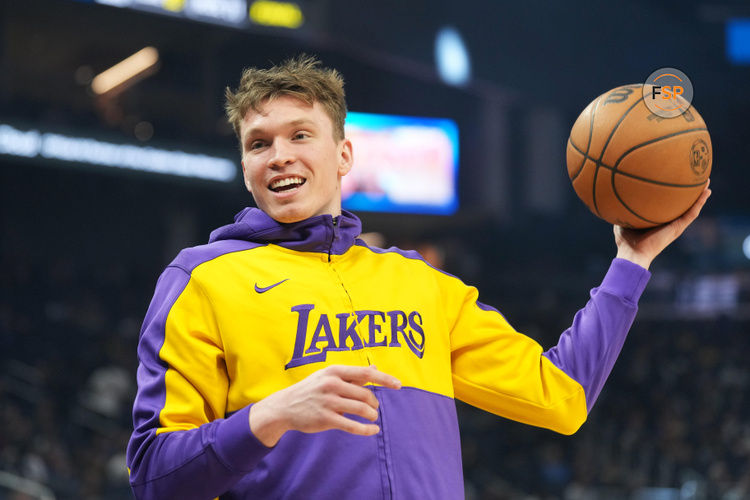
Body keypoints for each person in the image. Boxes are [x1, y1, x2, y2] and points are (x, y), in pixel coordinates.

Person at [125, 55, 711, 499]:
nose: (278, 154)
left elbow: (565, 396)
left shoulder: (420, 283)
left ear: (344, 156)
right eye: (259, 144)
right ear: (247, 166)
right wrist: (269, 415)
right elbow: (153, 476)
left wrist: (631, 263)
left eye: (300, 134)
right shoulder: (201, 281)